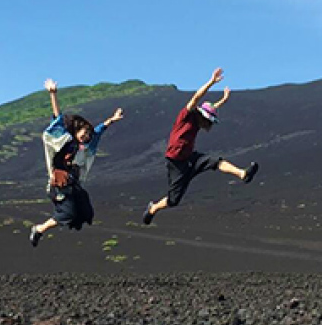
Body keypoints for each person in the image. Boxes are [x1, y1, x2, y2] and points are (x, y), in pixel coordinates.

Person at [142, 67, 257, 224]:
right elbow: (196, 97)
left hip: (191, 157)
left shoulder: (197, 123)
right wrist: (211, 82)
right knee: (173, 200)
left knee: (215, 161)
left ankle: (243, 174)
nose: (208, 124)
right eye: (207, 119)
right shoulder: (186, 115)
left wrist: (223, 100)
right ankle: (153, 208)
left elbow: (211, 108)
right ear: (201, 115)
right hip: (176, 163)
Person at [30, 79, 123, 247]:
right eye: (84, 132)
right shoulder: (65, 140)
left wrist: (112, 120)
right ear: (76, 130)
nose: (87, 136)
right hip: (59, 185)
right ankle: (39, 229)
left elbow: (98, 131)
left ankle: (70, 221)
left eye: (88, 134)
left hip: (73, 185)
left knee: (85, 213)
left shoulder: (83, 147)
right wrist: (53, 94)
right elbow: (58, 118)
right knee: (67, 214)